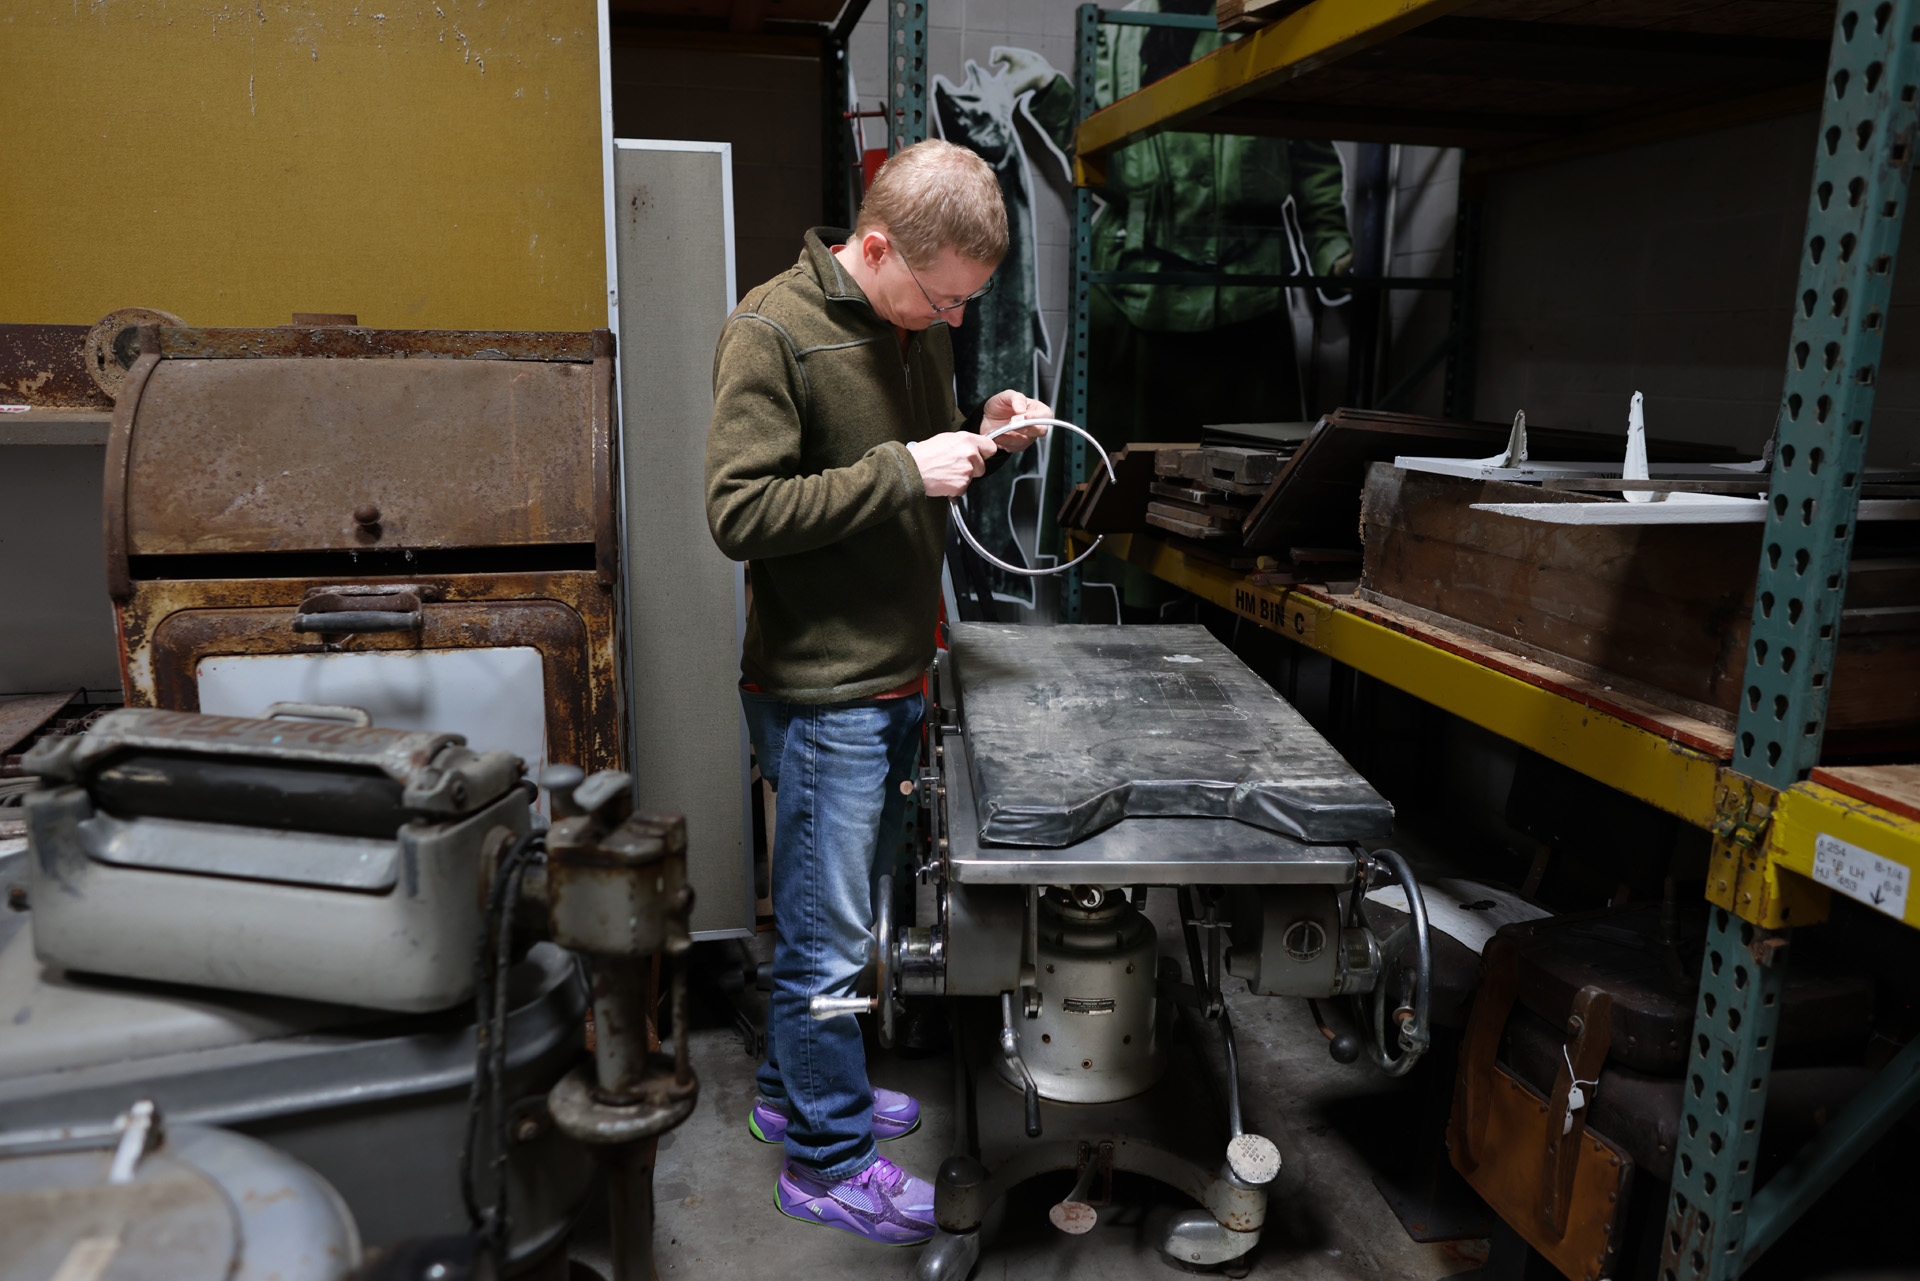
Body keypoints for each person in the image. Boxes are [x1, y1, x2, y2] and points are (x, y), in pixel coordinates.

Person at [704, 138, 1050, 1247]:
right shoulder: (773, 331)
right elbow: (739, 513)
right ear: (877, 245)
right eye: (943, 299)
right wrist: (904, 468)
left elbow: (906, 468)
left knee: (831, 921)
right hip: (824, 691)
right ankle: (828, 1156)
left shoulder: (910, 327)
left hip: (897, 671)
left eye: (966, 307)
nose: (951, 322)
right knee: (827, 940)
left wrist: (980, 437)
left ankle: (793, 1089)